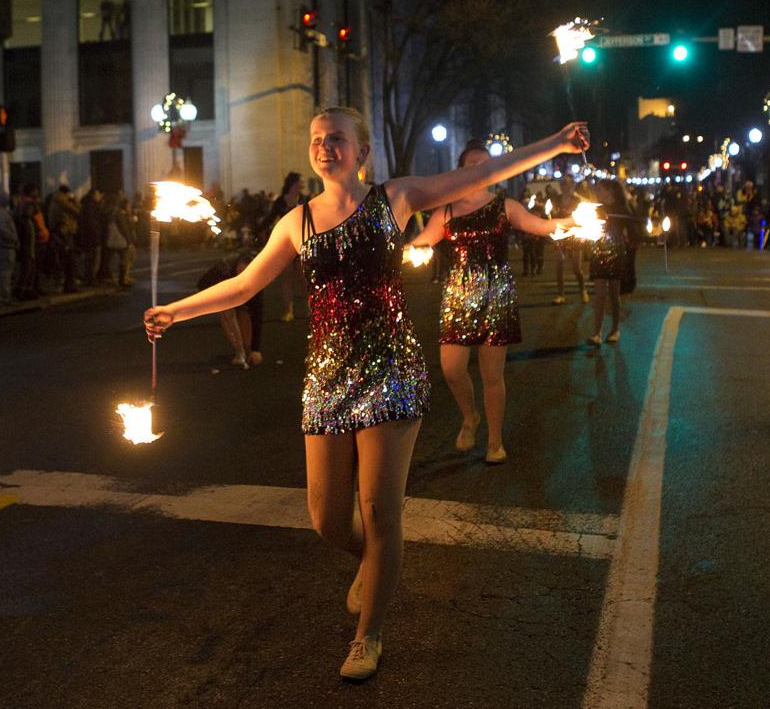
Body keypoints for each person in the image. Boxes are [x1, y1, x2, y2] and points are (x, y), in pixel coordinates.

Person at [144, 107, 588, 681]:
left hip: (391, 370)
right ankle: (377, 564)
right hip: (327, 378)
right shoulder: (294, 223)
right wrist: (174, 312)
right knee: (328, 519)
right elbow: (245, 284)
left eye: (337, 140)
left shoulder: (396, 198)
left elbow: (481, 176)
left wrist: (554, 140)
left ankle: (367, 635)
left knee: (380, 512)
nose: (325, 148)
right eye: (316, 140)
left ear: (363, 152)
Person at [407, 142, 569, 464]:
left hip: (497, 294)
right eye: (471, 165)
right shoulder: (446, 210)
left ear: (495, 169)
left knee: (492, 375)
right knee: (451, 368)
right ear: (461, 169)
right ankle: (470, 416)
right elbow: (422, 242)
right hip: (459, 295)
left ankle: (495, 440)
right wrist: (412, 249)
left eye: (484, 163)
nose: (478, 169)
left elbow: (539, 226)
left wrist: (572, 222)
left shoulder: (505, 205)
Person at [587, 179, 639, 346]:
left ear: (610, 191)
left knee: (614, 294)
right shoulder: (596, 209)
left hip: (616, 254)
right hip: (598, 253)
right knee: (600, 295)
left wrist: (655, 238)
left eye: (600, 189)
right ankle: (597, 333)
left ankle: (615, 329)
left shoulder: (622, 210)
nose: (597, 192)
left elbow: (634, 234)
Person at [196, 250, 263, 368]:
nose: (242, 276)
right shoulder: (223, 269)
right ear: (237, 267)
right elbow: (202, 284)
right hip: (224, 289)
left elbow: (257, 312)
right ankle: (239, 352)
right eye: (240, 272)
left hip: (242, 289)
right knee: (227, 311)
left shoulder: (257, 277)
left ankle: (248, 350)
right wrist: (218, 297)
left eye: (245, 274)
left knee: (245, 312)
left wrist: (255, 349)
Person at [263, 172, 306, 321]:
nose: (303, 184)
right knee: (287, 278)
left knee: (303, 278)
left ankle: (312, 308)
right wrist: (260, 230)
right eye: (301, 181)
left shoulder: (304, 200)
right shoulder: (281, 201)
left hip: (302, 242)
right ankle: (289, 311)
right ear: (294, 184)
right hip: (286, 243)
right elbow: (271, 218)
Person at [552, 175, 587, 305]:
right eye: (563, 184)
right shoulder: (556, 199)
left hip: (574, 237)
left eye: (567, 184)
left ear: (572, 186)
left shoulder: (577, 200)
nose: (565, 187)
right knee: (559, 264)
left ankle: (583, 290)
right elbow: (551, 215)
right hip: (561, 236)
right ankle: (560, 294)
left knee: (576, 268)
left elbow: (582, 218)